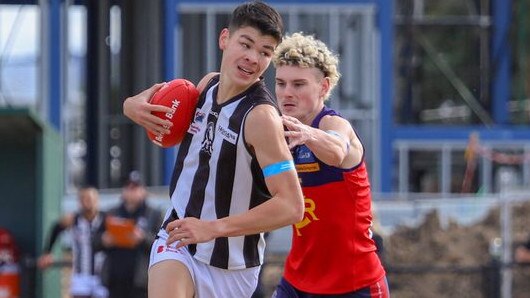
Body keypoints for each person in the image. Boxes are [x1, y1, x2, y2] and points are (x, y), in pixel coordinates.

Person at [122, 2, 305, 297]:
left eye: (265, 52)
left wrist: (213, 228)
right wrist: (130, 105)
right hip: (177, 236)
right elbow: (152, 100)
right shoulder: (205, 86)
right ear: (224, 39)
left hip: (232, 266)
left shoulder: (260, 118)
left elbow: (291, 206)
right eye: (246, 44)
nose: (252, 58)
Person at [271, 32, 390, 297]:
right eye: (280, 83)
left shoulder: (334, 125)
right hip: (297, 283)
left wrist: (307, 134)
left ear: (324, 87)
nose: (287, 93)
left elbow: (336, 150)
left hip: (354, 285)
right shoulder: (279, 133)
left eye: (298, 84)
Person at [94, 171, 162, 298]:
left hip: (141, 282)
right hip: (115, 281)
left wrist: (142, 238)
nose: (131, 191)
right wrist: (104, 240)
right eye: (128, 187)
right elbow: (94, 242)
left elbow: (162, 244)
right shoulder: (111, 213)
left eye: (135, 188)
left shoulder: (153, 214)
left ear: (143, 190)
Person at [37, 186, 108, 298]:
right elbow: (56, 228)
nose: (88, 203)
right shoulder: (74, 219)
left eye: (90, 199)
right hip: (81, 274)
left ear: (97, 201)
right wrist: (47, 252)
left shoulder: (106, 219)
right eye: (84, 199)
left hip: (102, 275)